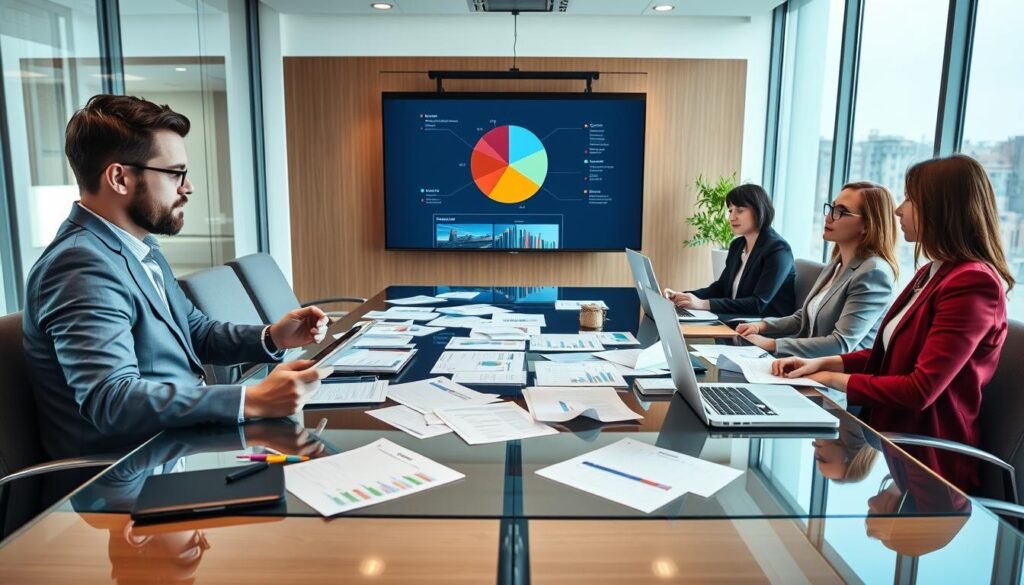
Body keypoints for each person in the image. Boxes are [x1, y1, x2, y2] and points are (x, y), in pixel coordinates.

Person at [23, 95, 331, 460]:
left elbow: (194, 331)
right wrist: (252, 398)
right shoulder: (79, 265)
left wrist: (271, 336)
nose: (188, 187)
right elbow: (112, 400)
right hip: (124, 481)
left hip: (181, 447)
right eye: (175, 173)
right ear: (119, 177)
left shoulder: (139, 246)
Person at [772, 154, 1013, 492]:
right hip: (890, 446)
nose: (899, 210)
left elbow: (919, 390)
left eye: (911, 199)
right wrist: (822, 362)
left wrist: (828, 377)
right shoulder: (933, 272)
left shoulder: (972, 283)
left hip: (929, 465)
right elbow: (887, 356)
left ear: (942, 208)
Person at [736, 182, 899, 357]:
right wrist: (762, 326)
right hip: (806, 364)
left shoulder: (874, 273)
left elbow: (841, 343)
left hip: (836, 377)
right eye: (831, 208)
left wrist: (772, 344)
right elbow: (805, 317)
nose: (828, 217)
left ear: (867, 225)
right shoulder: (837, 263)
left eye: (840, 212)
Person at [664, 184, 796, 318]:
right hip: (737, 318)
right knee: (672, 319)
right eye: (730, 211)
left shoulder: (778, 249)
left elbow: (757, 304)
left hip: (764, 326)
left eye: (739, 210)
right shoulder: (737, 245)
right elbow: (721, 288)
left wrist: (703, 304)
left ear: (759, 210)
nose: (732, 217)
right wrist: (684, 297)